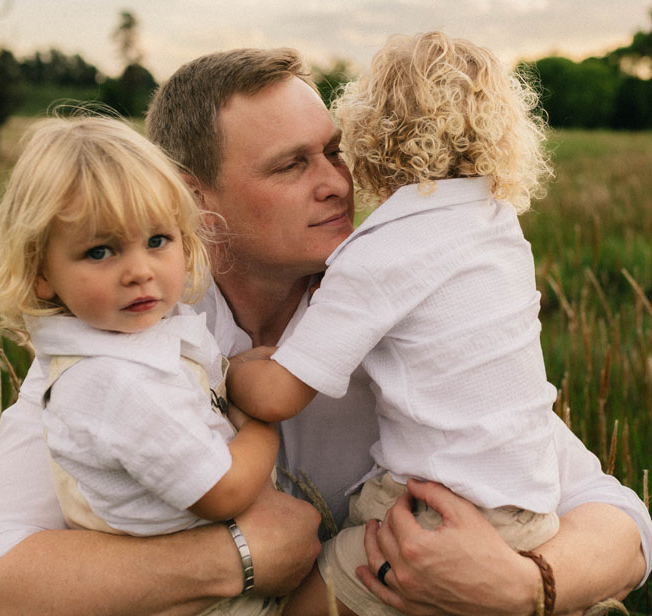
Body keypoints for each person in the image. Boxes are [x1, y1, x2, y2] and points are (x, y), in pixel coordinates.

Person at [0, 47, 652, 616]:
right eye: (292, 165)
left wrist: (525, 586)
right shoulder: (121, 348)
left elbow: (620, 523)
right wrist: (243, 556)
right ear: (195, 201)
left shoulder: (406, 311)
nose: (339, 184)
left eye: (335, 152)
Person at [226, 31, 562, 616]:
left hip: (434, 518)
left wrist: (232, 370)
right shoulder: (498, 226)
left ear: (369, 135)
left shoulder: (381, 251)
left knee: (305, 602)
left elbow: (279, 396)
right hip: (533, 509)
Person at [0, 115, 282, 615]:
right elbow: (224, 492)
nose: (138, 271)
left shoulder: (145, 336)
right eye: (100, 251)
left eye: (157, 241)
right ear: (41, 274)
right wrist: (265, 416)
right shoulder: (109, 379)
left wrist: (234, 370)